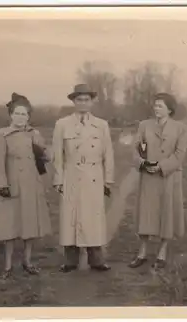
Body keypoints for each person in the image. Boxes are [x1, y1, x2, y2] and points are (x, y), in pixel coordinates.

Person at [51, 84, 115, 273]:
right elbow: (58, 154)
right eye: (79, 100)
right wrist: (58, 179)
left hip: (94, 176)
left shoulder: (101, 125)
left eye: (86, 100)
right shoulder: (62, 124)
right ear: (73, 102)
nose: (83, 103)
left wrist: (108, 180)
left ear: (91, 102)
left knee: (93, 218)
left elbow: (108, 154)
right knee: (70, 218)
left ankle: (96, 260)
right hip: (71, 176)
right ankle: (70, 261)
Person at [0, 92, 52, 278]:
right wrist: (1, 184)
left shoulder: (35, 134)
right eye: (17, 113)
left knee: (30, 225)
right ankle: (8, 266)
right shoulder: (2, 134)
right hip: (12, 186)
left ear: (29, 116)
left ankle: (27, 261)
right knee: (9, 226)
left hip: (31, 185)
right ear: (10, 115)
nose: (20, 117)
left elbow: (47, 157)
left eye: (24, 114)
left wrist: (41, 150)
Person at [128, 92, 187, 269]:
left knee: (166, 213)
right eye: (155, 105)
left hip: (169, 177)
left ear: (169, 109)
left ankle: (162, 252)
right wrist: (142, 163)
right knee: (146, 213)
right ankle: (142, 252)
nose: (156, 108)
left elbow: (180, 154)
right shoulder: (144, 125)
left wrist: (162, 167)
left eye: (160, 106)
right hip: (148, 176)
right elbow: (135, 148)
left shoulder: (181, 128)